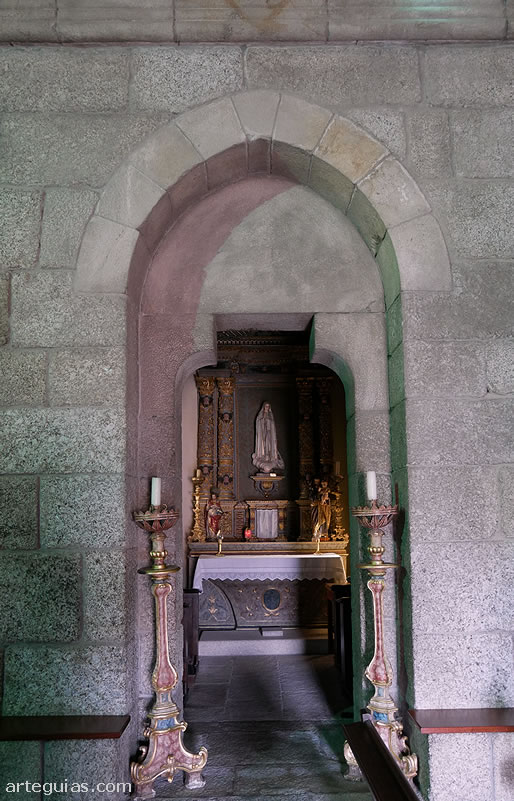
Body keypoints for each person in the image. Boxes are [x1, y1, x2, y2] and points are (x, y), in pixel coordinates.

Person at [252, 401, 284, 474]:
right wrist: (263, 421)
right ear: (263, 407)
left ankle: (269, 457)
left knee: (269, 445)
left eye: (268, 406)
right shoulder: (260, 416)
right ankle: (263, 457)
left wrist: (269, 423)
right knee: (263, 445)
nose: (267, 408)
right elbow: (258, 424)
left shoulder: (270, 416)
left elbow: (273, 427)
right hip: (262, 434)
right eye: (266, 406)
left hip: (269, 434)